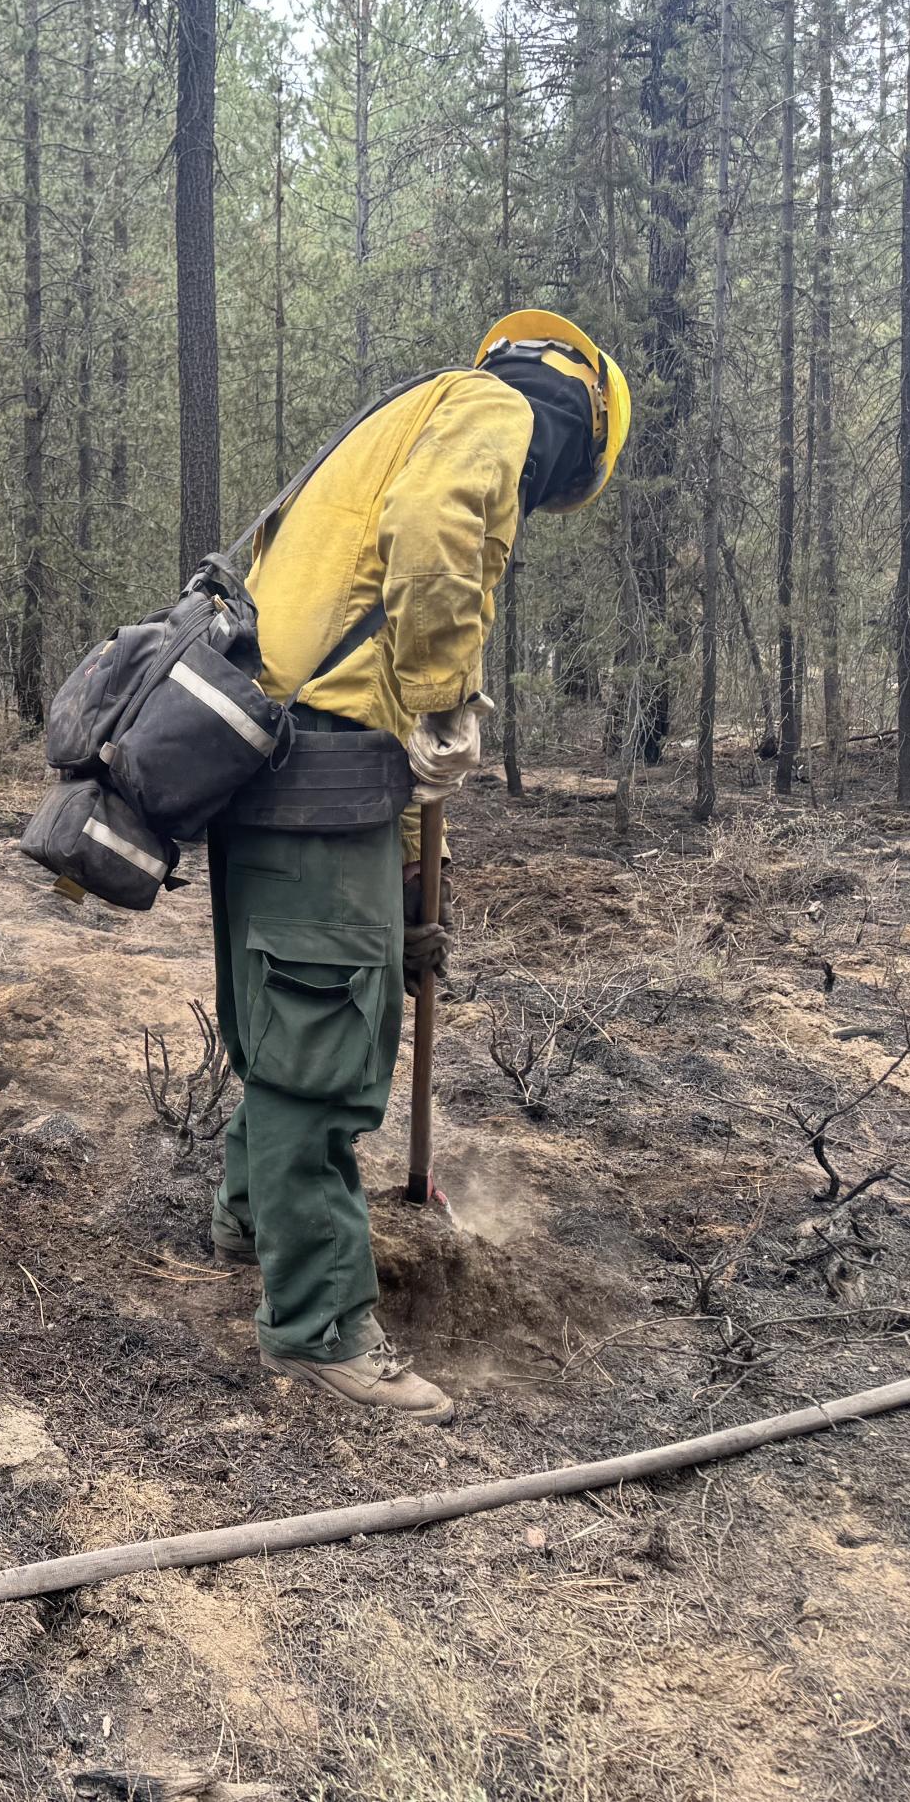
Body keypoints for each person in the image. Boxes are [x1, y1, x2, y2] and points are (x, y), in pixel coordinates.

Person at [207, 311, 631, 1421]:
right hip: (323, 769)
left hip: (267, 762)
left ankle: (250, 1216)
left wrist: (400, 895)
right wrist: (444, 695)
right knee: (318, 1047)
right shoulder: (489, 418)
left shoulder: (410, 411)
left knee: (278, 1011)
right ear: (578, 432)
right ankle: (318, 1325)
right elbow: (436, 537)